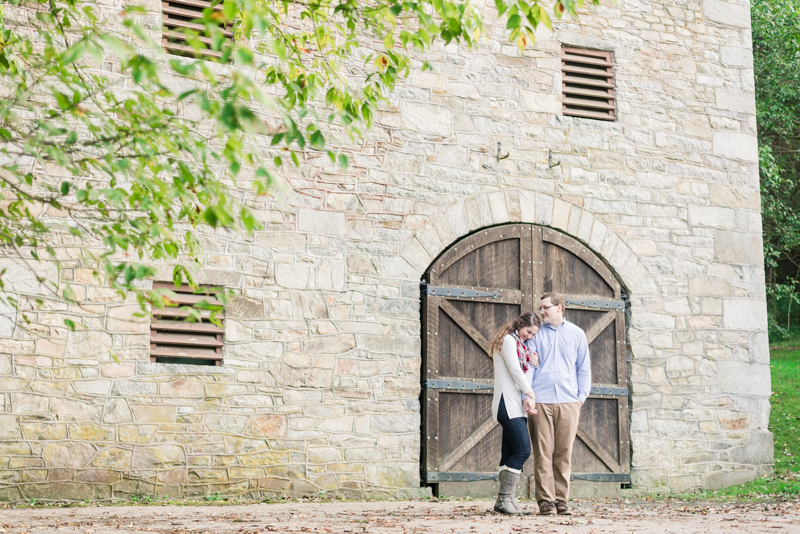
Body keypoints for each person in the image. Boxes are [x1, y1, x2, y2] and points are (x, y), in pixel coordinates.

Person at [526, 292, 591, 516]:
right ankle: (546, 502)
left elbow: (584, 369)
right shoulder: (535, 334)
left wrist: (580, 398)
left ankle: (561, 500)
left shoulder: (577, 334)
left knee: (564, 452)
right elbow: (528, 366)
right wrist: (529, 395)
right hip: (540, 400)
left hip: (569, 401)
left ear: (559, 308)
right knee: (543, 453)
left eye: (546, 308)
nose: (541, 311)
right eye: (540, 308)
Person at [488, 312, 540, 515]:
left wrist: (533, 363)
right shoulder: (508, 340)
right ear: (520, 325)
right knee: (523, 450)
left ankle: (507, 500)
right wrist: (530, 392)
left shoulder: (518, 344)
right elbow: (515, 371)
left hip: (513, 404)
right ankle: (503, 499)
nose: (529, 336)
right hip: (506, 402)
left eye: (533, 334)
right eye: (528, 331)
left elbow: (522, 368)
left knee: (509, 453)